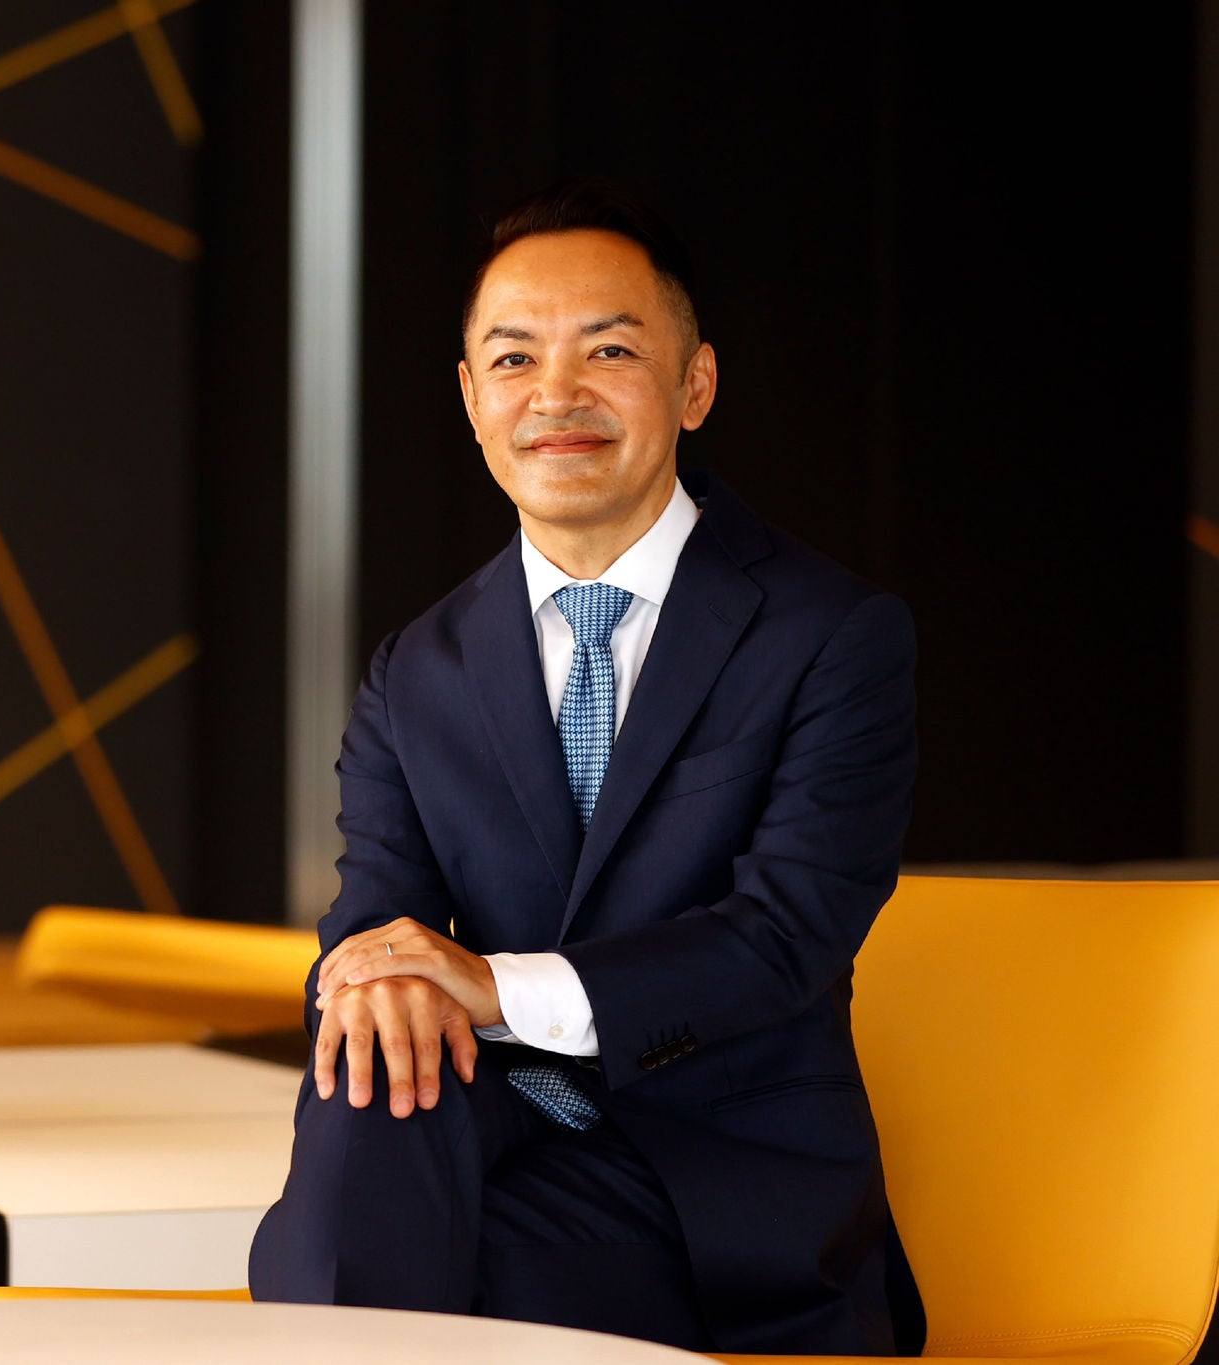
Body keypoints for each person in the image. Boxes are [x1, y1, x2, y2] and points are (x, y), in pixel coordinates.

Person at [247, 179, 926, 1356]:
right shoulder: (416, 670)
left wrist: (492, 988)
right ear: (470, 399)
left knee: (360, 1261)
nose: (553, 395)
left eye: (607, 351)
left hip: (719, 1179)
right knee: (371, 1060)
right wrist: (376, 983)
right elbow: (372, 928)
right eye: (512, 360)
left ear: (693, 385)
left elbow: (782, 935)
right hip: (492, 1132)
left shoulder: (829, 635)